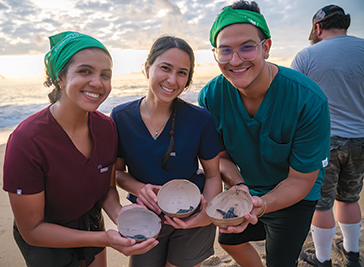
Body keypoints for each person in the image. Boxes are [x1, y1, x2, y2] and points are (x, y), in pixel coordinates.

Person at [2, 31, 158, 267]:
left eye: (105, 75)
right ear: (61, 78)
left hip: (91, 223)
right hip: (48, 239)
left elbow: (106, 190)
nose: (97, 82)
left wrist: (121, 216)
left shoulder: (106, 128)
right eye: (85, 71)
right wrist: (105, 239)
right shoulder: (27, 141)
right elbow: (32, 230)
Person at [198, 1, 331, 266]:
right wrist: (239, 187)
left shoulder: (307, 99)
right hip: (244, 188)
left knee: (281, 259)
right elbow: (220, 156)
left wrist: (261, 204)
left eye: (247, 47)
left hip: (294, 195)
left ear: (266, 48)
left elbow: (300, 180)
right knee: (228, 241)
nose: (235, 60)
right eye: (225, 51)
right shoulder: (211, 96)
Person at [111, 35, 223, 267]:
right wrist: (140, 189)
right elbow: (117, 172)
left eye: (182, 73)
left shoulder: (200, 119)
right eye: (165, 68)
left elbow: (213, 174)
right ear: (147, 67)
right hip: (145, 217)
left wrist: (206, 215)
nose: (172, 80)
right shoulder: (121, 117)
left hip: (192, 213)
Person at [291, 5, 364, 267]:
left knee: (321, 204)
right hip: (360, 140)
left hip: (324, 142)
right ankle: (352, 254)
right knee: (350, 197)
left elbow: (293, 104)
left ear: (318, 28)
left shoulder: (306, 56)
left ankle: (323, 260)